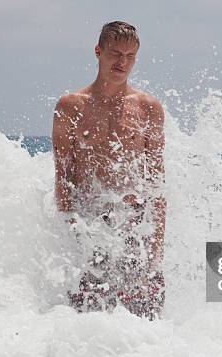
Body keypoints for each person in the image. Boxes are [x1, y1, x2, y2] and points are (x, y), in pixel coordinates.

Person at [52, 21, 166, 320]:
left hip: (134, 228)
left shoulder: (148, 107)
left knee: (145, 322)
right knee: (85, 319)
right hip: (90, 228)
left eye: (130, 56)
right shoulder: (70, 106)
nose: (122, 62)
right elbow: (63, 178)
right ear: (98, 51)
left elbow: (156, 183)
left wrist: (154, 251)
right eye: (115, 53)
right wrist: (68, 237)